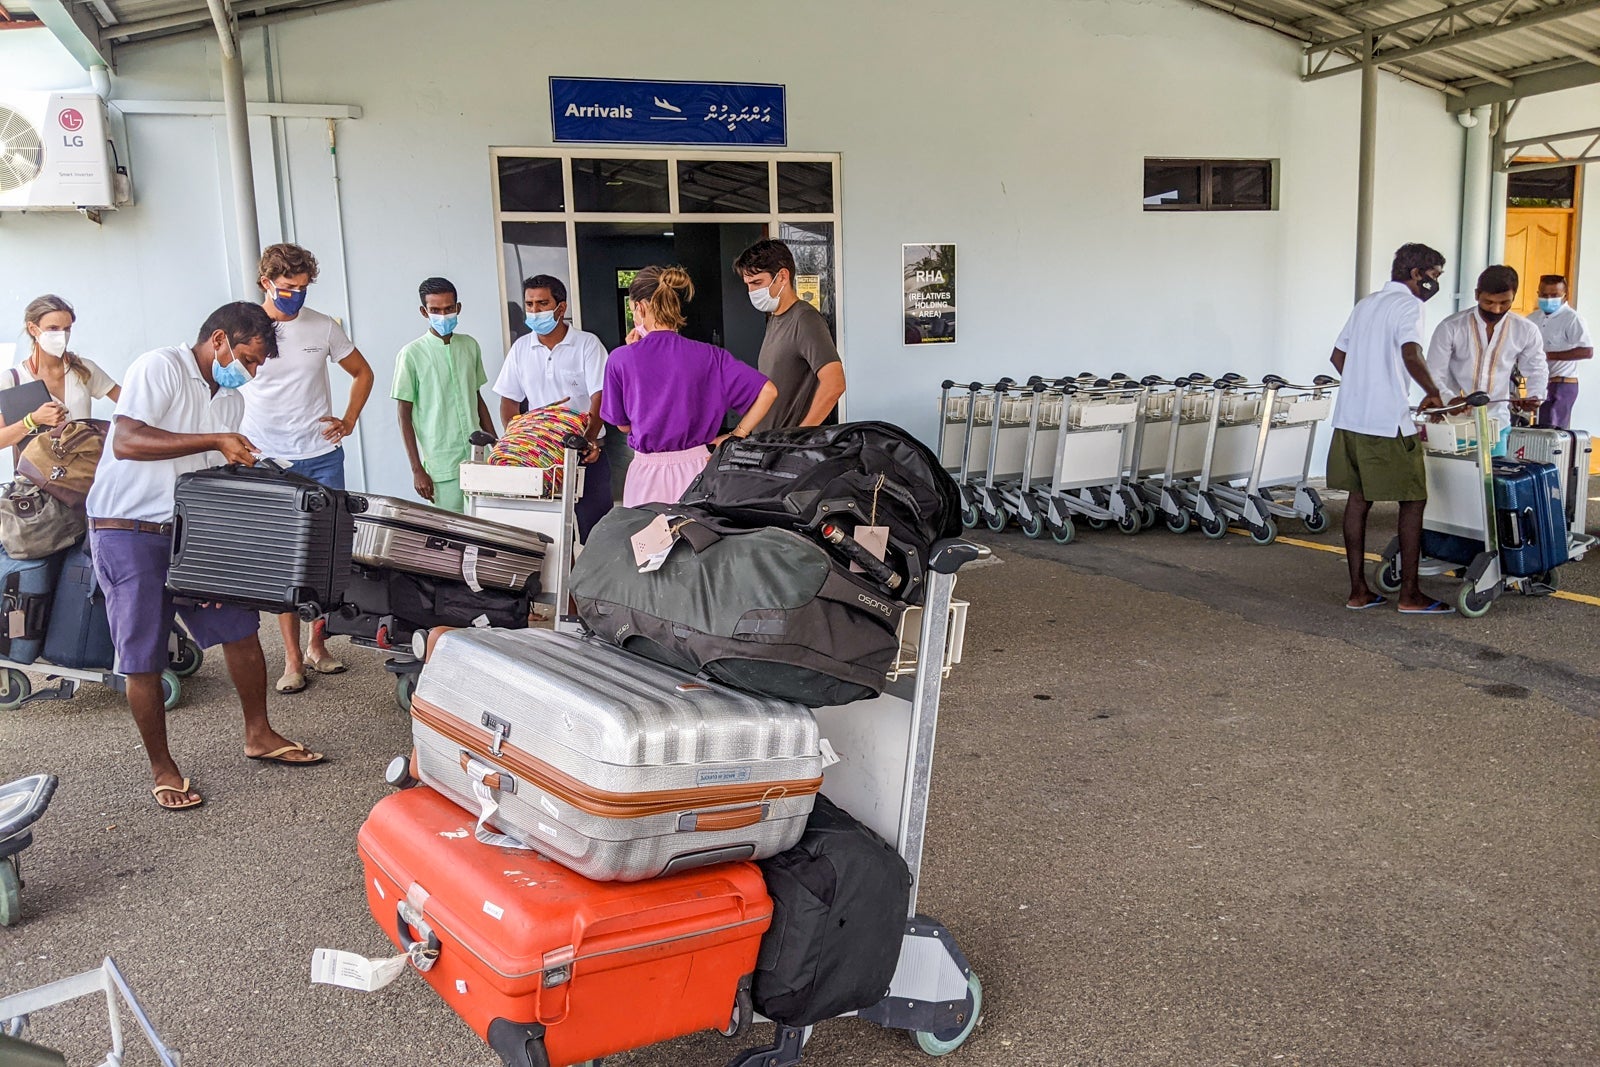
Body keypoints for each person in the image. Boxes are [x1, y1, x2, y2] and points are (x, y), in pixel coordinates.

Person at [86, 301, 325, 811]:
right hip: (129, 531)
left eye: (259, 364)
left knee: (241, 629)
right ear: (218, 340)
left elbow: (213, 474)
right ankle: (162, 766)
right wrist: (215, 438)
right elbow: (127, 440)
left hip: (192, 533)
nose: (252, 371)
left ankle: (259, 733)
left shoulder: (231, 401)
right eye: (248, 358)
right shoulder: (161, 366)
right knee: (143, 656)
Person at [241, 243, 376, 694]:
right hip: (269, 457)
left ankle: (318, 645)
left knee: (325, 554)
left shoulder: (322, 326)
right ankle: (292, 660)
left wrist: (349, 420)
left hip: (320, 455)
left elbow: (363, 373)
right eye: (286, 289)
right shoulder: (244, 326)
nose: (294, 296)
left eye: (301, 288)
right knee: (284, 560)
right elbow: (218, 387)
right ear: (266, 283)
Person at [1326, 242, 1451, 615]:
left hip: (1350, 419)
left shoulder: (1367, 303)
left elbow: (1337, 356)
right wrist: (1434, 393)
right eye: (1434, 275)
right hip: (1386, 423)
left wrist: (1364, 386)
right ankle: (1410, 595)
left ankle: (1358, 591)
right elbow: (1411, 353)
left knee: (1359, 498)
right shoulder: (1408, 305)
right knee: (1413, 499)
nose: (1435, 282)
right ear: (1416, 274)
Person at [602, 266, 777, 507]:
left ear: (639, 307)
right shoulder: (711, 356)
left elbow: (623, 426)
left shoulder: (620, 359)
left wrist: (630, 353)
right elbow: (768, 391)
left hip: (647, 473)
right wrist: (737, 434)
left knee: (647, 542)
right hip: (699, 468)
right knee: (699, 540)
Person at [493, 275, 612, 537]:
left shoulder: (587, 344)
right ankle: (564, 580)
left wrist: (587, 440)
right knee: (551, 535)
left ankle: (593, 579)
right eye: (530, 304)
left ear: (561, 307)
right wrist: (518, 439)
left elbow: (600, 396)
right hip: (540, 460)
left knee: (597, 533)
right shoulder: (521, 348)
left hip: (586, 457)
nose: (535, 311)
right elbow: (509, 401)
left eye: (542, 303)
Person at [394, 277, 495, 513]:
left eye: (449, 309)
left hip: (479, 456)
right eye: (435, 310)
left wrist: (496, 444)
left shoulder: (470, 345)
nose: (443, 315)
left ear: (458, 308)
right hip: (442, 465)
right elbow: (403, 415)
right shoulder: (411, 354)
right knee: (452, 535)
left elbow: (477, 398)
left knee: (488, 526)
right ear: (424, 311)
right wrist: (417, 469)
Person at [1426, 265, 1547, 443]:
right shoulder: (1451, 327)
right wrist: (1449, 399)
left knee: (1496, 471)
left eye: (1504, 303)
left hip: (1497, 423)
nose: (1496, 309)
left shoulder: (1526, 330)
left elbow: (1537, 369)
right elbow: (1434, 372)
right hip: (1453, 424)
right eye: (1488, 302)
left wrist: (1535, 396)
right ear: (1477, 295)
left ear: (1514, 297)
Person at [733, 239, 845, 430]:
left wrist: (798, 437)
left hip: (786, 449)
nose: (751, 291)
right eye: (748, 284)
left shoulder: (805, 319)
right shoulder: (775, 319)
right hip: (769, 443)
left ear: (782, 276)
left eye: (757, 282)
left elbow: (834, 384)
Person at [1, 295, 121, 452]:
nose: (62, 335)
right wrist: (33, 420)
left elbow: (129, 402)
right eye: (53, 328)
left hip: (86, 471)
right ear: (33, 329)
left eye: (67, 329)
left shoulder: (84, 369)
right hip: (39, 474)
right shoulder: (12, 379)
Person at [1529, 274, 1594, 429]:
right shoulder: (1532, 319)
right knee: (1537, 429)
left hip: (1562, 383)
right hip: (1539, 382)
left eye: (1554, 295)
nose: (1549, 299)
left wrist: (1548, 356)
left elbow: (1587, 351)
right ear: (1538, 294)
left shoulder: (1572, 319)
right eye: (1544, 295)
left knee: (1553, 431)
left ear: (1565, 296)